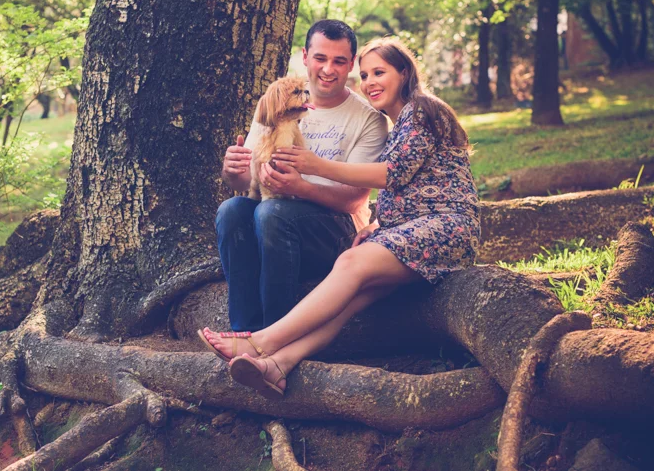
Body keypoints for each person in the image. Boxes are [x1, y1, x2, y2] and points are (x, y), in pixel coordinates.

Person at [202, 36, 480, 399]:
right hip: (411, 230)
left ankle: (260, 341)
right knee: (354, 297)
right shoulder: (398, 126)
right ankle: (277, 366)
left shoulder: (424, 109)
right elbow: (407, 190)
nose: (370, 83)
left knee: (350, 263)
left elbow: (391, 174)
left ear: (404, 72)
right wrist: (378, 224)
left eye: (379, 72)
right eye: (365, 75)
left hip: (447, 227)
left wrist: (315, 166)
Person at [215, 20, 388, 333]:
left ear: (350, 65)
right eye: (321, 59)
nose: (328, 70)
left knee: (273, 212)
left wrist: (301, 187)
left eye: (339, 62)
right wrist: (234, 174)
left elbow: (354, 199)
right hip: (273, 222)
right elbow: (247, 184)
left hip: (335, 232)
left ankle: (273, 336)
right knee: (231, 210)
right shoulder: (275, 103)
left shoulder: (368, 120)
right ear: (305, 57)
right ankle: (243, 329)